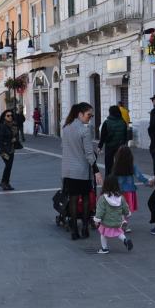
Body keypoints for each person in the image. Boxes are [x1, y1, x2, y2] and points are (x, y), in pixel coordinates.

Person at [61, 102, 99, 240]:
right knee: (86, 198)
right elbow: (89, 153)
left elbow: (64, 148)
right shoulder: (84, 130)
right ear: (80, 114)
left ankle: (74, 230)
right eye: (89, 114)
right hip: (82, 170)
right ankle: (84, 228)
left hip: (68, 169)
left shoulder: (65, 128)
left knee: (73, 198)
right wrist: (96, 170)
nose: (91, 117)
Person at [112, 145, 149, 233]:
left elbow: (112, 179)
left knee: (119, 208)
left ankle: (120, 222)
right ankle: (125, 223)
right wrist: (147, 182)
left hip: (118, 191)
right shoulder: (132, 166)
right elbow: (139, 176)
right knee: (127, 209)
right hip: (129, 191)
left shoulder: (116, 166)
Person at [94, 175, 133, 254]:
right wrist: (127, 213)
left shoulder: (103, 198)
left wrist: (97, 219)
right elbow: (125, 207)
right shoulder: (121, 197)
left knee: (103, 234)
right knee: (119, 233)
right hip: (117, 221)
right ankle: (125, 240)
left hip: (106, 222)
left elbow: (100, 210)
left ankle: (104, 249)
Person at [98, 105, 128, 176]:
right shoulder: (123, 122)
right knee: (119, 164)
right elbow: (125, 135)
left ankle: (109, 181)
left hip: (109, 146)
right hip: (120, 146)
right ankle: (119, 180)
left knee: (108, 165)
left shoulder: (106, 122)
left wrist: (100, 146)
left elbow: (103, 136)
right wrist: (124, 144)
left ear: (110, 112)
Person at [0, 109, 18, 191]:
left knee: (9, 167)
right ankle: (3, 182)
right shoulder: (2, 126)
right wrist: (2, 151)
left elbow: (16, 136)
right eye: (8, 116)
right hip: (4, 150)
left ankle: (6, 182)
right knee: (8, 166)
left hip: (11, 149)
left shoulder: (13, 125)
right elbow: (0, 139)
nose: (10, 117)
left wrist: (15, 139)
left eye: (11, 115)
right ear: (4, 117)